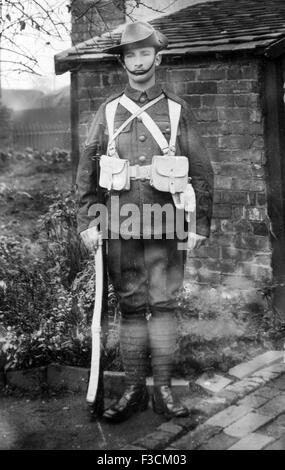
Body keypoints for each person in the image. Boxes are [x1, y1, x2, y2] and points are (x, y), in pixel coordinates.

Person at [76, 21, 214, 423]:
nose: (138, 61)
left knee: (165, 305)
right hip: (119, 222)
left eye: (144, 53)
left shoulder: (176, 110)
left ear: (157, 56)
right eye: (130, 54)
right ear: (122, 61)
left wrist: (199, 223)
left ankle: (164, 393)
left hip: (166, 221)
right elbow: (87, 171)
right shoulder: (107, 111)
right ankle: (135, 390)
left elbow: (203, 171)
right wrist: (88, 219)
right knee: (131, 307)